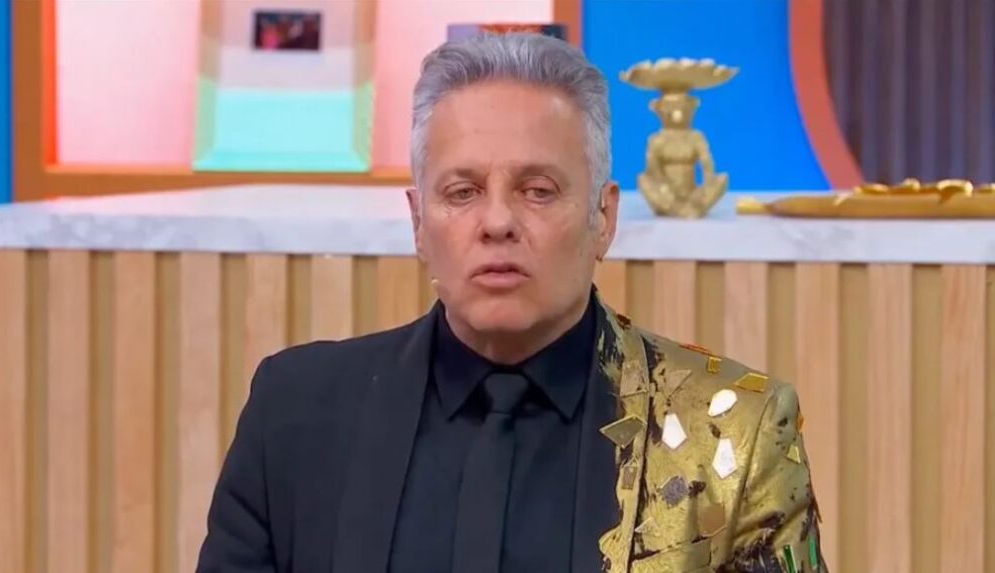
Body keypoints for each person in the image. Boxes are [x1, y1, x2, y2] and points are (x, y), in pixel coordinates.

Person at [197, 33, 827, 573]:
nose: (497, 222)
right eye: (463, 191)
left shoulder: (735, 435)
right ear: (418, 223)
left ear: (603, 218)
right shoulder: (295, 414)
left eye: (537, 190)